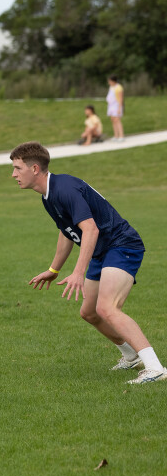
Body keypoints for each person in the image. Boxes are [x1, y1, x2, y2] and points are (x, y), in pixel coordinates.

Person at [10, 141, 165, 384]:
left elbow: (90, 229)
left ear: (35, 168)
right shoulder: (48, 196)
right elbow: (66, 232)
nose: (14, 174)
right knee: (90, 312)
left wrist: (78, 272)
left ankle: (155, 369)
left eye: (18, 168)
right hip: (102, 251)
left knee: (107, 308)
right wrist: (54, 269)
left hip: (121, 244)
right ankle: (131, 356)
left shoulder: (64, 189)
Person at [106, 75, 125, 141]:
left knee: (117, 120)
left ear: (113, 81)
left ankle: (121, 136)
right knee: (113, 120)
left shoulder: (119, 87)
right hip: (111, 106)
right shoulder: (111, 87)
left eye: (110, 81)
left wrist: (119, 108)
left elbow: (121, 98)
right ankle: (116, 135)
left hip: (116, 105)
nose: (109, 82)